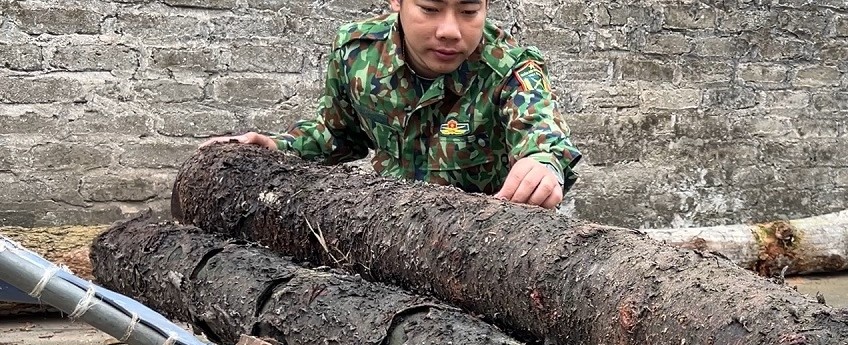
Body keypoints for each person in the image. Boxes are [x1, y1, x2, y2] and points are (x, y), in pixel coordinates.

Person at [202, 0, 580, 210]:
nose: (450, 30)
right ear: (397, 2)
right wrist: (276, 149)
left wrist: (543, 166)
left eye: (468, 12)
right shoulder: (357, 54)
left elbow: (543, 138)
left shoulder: (509, 68)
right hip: (392, 238)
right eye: (430, 8)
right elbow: (337, 135)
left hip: (479, 252)